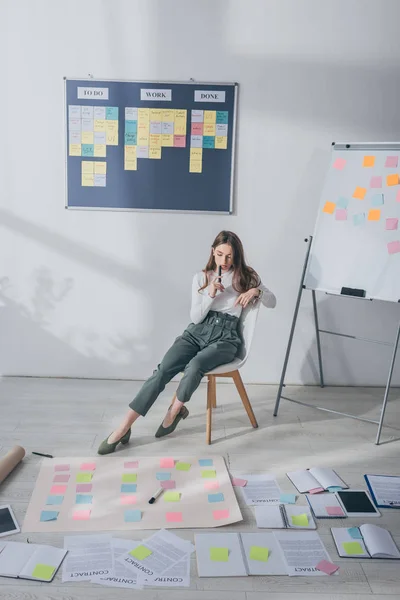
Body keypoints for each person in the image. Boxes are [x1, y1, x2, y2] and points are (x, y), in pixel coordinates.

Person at [97, 230, 276, 455]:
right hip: (196, 332)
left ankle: (175, 412)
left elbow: (273, 301)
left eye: (229, 256)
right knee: (162, 372)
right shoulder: (201, 277)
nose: (224, 261)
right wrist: (210, 294)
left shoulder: (248, 276)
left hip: (226, 337)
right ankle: (124, 427)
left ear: (237, 256)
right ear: (213, 252)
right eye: (220, 255)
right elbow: (195, 318)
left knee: (195, 366)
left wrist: (256, 290)